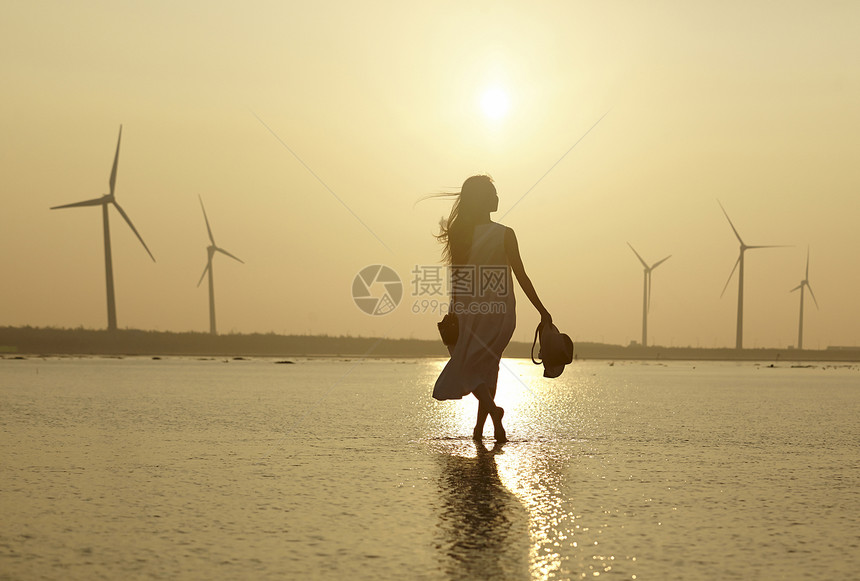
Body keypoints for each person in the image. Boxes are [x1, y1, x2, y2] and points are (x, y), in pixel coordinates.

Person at [432, 175, 552, 441]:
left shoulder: (460, 233)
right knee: (488, 367)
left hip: (467, 309)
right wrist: (542, 310)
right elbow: (522, 276)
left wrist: (453, 310)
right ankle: (485, 428)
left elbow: (457, 276)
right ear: (482, 199)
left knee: (467, 365)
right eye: (492, 193)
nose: (497, 198)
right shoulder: (505, 234)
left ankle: (491, 415)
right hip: (501, 312)